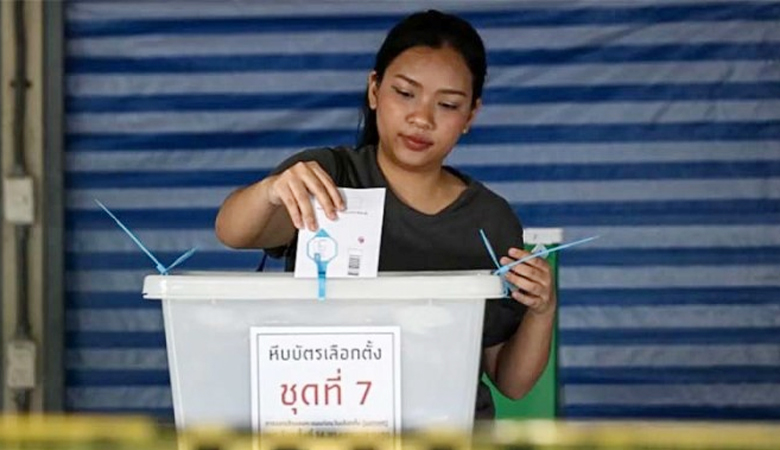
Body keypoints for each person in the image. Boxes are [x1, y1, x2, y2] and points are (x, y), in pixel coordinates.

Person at [215, 9, 555, 420]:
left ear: (470, 116)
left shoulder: (492, 220)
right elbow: (232, 232)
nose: (421, 118)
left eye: (447, 104)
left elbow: (510, 380)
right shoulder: (327, 177)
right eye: (405, 93)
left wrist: (542, 309)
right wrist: (271, 190)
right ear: (374, 90)